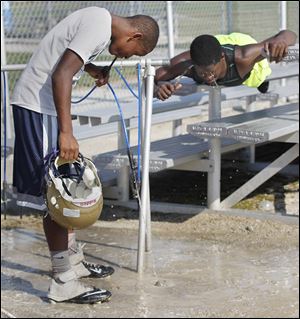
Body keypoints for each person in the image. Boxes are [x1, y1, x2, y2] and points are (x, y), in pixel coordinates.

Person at [11, 6, 159, 304]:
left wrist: (91, 69)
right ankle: (63, 281)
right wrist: (67, 132)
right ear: (134, 35)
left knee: (68, 185)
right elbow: (61, 74)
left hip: (43, 109)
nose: (126, 58)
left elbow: (67, 60)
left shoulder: (99, 21)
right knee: (59, 192)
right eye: (131, 53)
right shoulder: (99, 25)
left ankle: (74, 261)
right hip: (38, 109)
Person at [154, 30, 297, 101]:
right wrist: (159, 87)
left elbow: (289, 34)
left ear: (221, 59)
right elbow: (153, 76)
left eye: (210, 72)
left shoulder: (244, 57)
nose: (208, 77)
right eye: (202, 73)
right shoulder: (186, 63)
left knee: (260, 74)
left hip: (242, 51)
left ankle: (262, 83)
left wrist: (281, 41)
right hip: (215, 45)